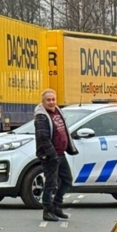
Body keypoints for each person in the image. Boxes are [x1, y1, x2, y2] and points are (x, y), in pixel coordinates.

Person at [33, 89, 79, 222]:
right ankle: (47, 211)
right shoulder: (41, 116)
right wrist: (52, 155)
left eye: (53, 99)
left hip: (61, 153)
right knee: (51, 183)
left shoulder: (58, 111)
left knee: (67, 181)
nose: (52, 102)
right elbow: (43, 137)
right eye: (48, 100)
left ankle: (56, 206)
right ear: (43, 102)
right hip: (50, 155)